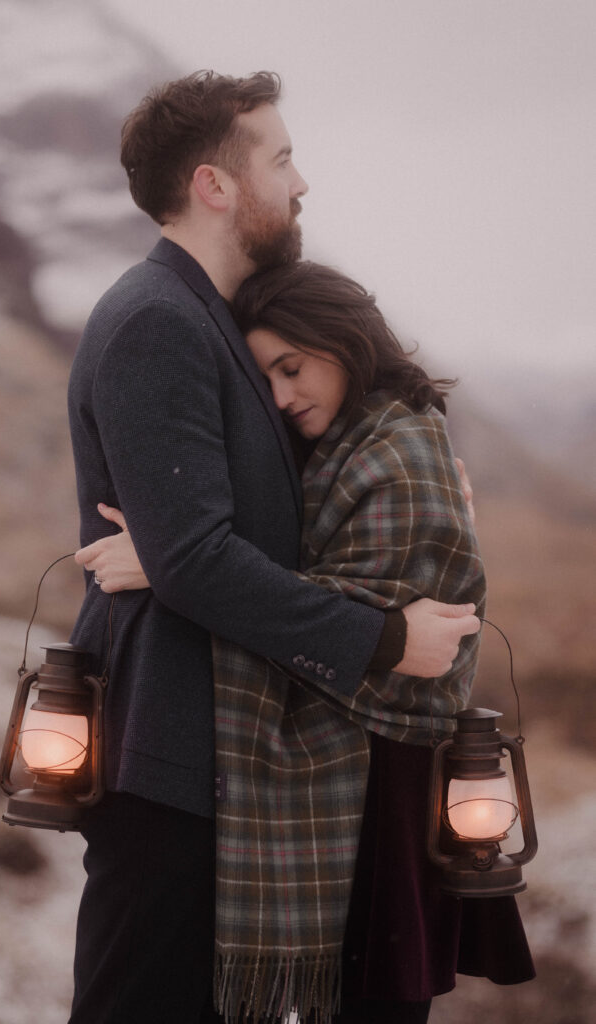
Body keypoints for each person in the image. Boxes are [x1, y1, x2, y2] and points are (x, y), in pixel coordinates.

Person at [66, 70, 482, 1024]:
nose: (301, 185)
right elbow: (200, 560)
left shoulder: (212, 319)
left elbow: (219, 538)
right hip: (170, 751)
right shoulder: (156, 322)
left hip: (227, 754)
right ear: (216, 184)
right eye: (282, 159)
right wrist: (381, 638)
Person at [85, 262, 535, 1024]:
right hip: (353, 786)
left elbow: (390, 650)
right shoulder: (350, 441)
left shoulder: (401, 453)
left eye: (291, 367)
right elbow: (311, 577)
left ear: (343, 340)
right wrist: (181, 560)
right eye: (268, 381)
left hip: (385, 791)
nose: (284, 396)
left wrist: (172, 569)